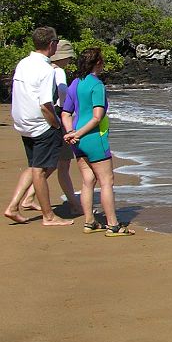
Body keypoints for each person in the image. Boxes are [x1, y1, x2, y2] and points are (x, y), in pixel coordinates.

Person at [4, 26, 73, 225]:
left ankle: (14, 206)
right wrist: (57, 125)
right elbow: (45, 105)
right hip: (40, 124)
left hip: (22, 122)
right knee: (41, 171)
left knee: (35, 166)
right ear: (52, 44)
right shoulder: (45, 69)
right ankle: (48, 216)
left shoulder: (23, 63)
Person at [62, 46, 134, 235]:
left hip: (77, 139)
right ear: (98, 63)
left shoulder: (75, 83)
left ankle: (89, 222)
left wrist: (71, 132)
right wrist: (77, 134)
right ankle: (113, 225)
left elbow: (65, 113)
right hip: (94, 138)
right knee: (106, 181)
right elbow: (96, 117)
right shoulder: (97, 85)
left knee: (87, 181)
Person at [17, 38, 78, 214]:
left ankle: (26, 198)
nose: (69, 60)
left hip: (37, 119)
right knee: (60, 164)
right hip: (56, 117)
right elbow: (60, 98)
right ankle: (74, 204)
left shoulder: (36, 66)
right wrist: (63, 122)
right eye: (68, 57)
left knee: (42, 164)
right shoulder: (57, 72)